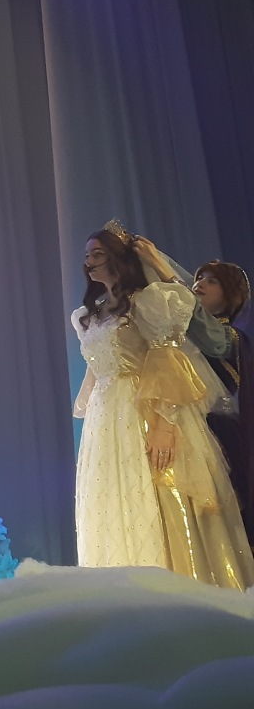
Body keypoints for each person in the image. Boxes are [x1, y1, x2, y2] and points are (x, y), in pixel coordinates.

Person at [71, 222, 253, 589]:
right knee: (116, 496)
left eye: (98, 254)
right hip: (108, 416)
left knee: (169, 498)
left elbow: (168, 356)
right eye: (87, 255)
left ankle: (173, 586)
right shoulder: (90, 315)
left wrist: (165, 422)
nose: (89, 261)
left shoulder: (158, 306)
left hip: (153, 408)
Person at [191, 260, 253, 530]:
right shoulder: (184, 332)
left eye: (212, 281)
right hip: (183, 425)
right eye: (199, 278)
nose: (199, 284)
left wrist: (170, 278)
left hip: (216, 435)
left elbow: (207, 335)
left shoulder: (229, 337)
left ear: (229, 295)